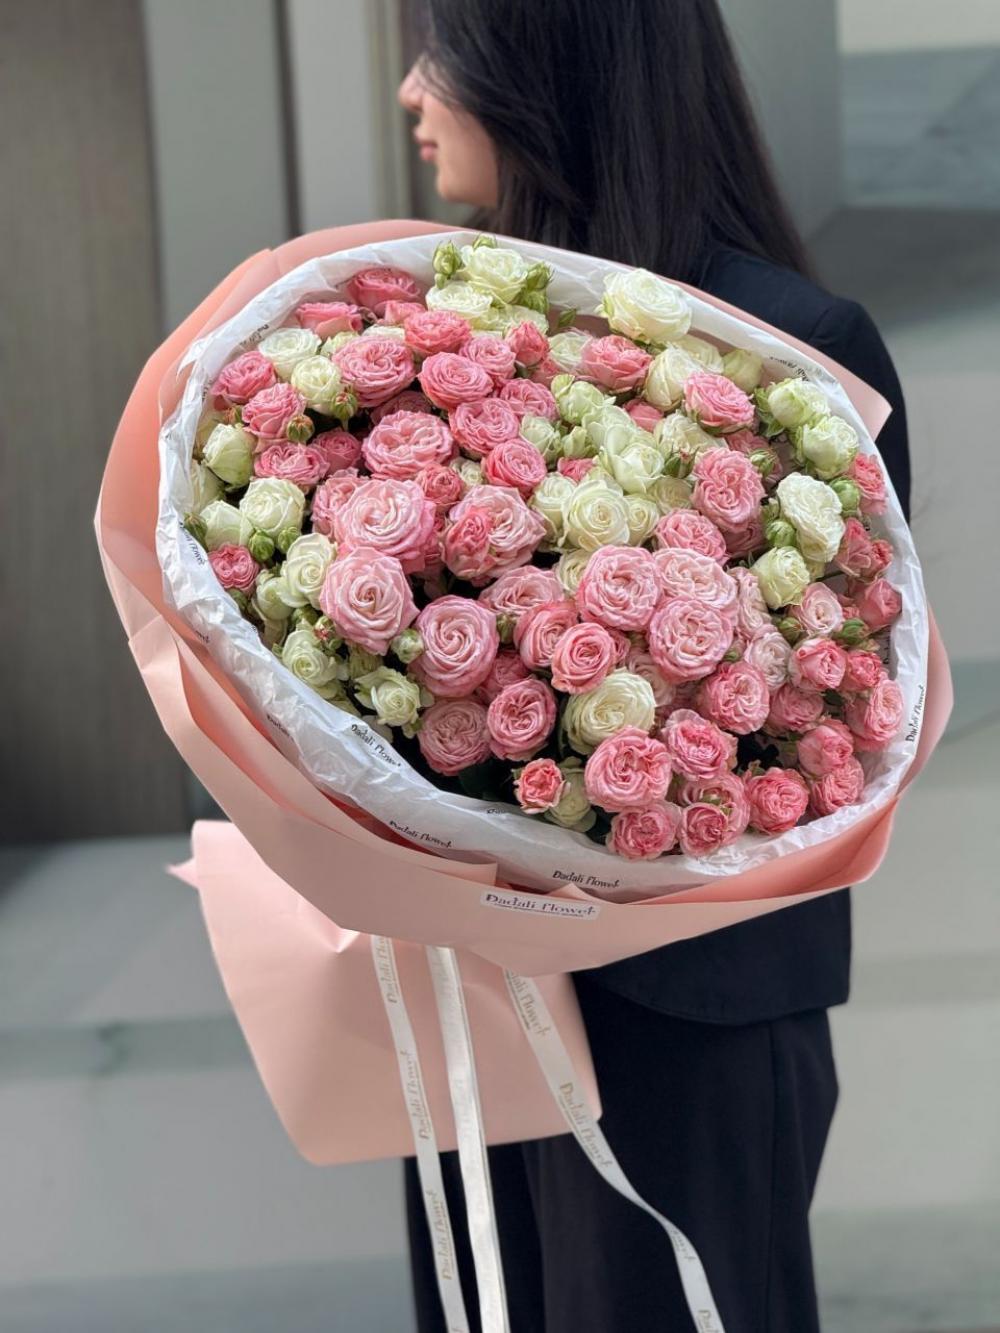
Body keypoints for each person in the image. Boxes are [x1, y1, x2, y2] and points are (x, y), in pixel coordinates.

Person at [397, 3, 910, 1329]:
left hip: (688, 1018)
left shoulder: (791, 349)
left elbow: (836, 717)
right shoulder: (437, 339)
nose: (410, 92)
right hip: (481, 1006)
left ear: (545, 64)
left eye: (440, 49)